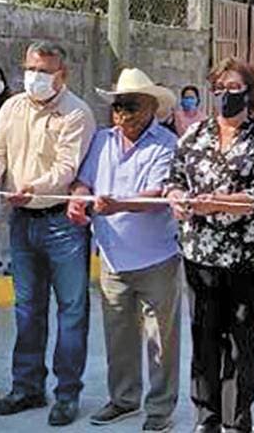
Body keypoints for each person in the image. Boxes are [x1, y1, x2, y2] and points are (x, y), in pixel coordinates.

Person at [0, 41, 96, 427]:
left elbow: (66, 168)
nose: (35, 77)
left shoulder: (76, 113)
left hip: (63, 223)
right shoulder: (12, 107)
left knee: (71, 310)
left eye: (44, 71)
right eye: (31, 68)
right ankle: (26, 387)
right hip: (22, 220)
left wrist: (33, 187)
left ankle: (67, 394)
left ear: (62, 74)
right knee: (27, 308)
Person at [165, 59, 254, 433]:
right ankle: (206, 417)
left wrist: (216, 203)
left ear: (249, 91)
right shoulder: (194, 134)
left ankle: (237, 421)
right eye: (219, 88)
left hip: (249, 256)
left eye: (234, 87)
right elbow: (174, 178)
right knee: (204, 338)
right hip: (201, 254)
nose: (225, 95)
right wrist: (177, 197)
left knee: (240, 342)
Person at [66, 67, 181, 431]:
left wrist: (119, 204)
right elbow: (83, 181)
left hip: (156, 258)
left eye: (130, 106)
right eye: (117, 106)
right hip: (112, 256)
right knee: (118, 335)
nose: (122, 114)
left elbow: (157, 196)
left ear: (151, 107)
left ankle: (159, 410)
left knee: (161, 339)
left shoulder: (167, 144)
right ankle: (123, 399)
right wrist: (78, 199)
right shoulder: (101, 140)